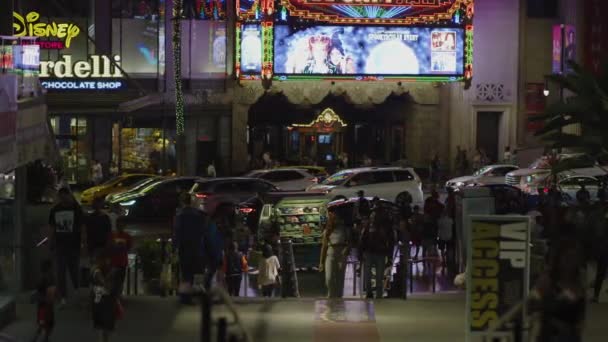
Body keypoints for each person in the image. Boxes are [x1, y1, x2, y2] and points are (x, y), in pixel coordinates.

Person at [529, 236, 586, 342]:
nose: (571, 262)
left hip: (571, 337)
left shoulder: (578, 280)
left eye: (575, 258)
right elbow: (533, 305)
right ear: (559, 258)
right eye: (568, 257)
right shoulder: (548, 280)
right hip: (550, 337)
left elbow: (580, 316)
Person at [49, 187, 83, 306]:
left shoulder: (76, 209)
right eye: (61, 197)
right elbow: (52, 227)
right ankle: (63, 296)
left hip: (73, 244)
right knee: (61, 272)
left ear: (69, 195)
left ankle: (76, 292)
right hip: (60, 244)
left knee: (74, 270)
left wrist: (83, 242)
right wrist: (52, 241)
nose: (64, 199)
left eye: (66, 196)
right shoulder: (55, 210)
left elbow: (81, 227)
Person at [174, 193, 206, 301]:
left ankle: (185, 295)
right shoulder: (199, 215)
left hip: (184, 247)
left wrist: (175, 247)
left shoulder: (180, 215)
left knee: (185, 273)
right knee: (193, 272)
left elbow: (177, 232)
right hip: (196, 247)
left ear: (183, 202)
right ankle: (191, 294)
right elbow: (202, 231)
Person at [360, 203, 395, 299]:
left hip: (372, 252)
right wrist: (390, 255)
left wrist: (361, 253)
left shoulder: (371, 225)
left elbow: (363, 239)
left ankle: (370, 293)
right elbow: (391, 241)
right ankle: (377, 294)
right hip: (379, 252)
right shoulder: (385, 226)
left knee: (369, 274)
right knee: (378, 275)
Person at [320, 204, 351, 298]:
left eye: (333, 214)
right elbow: (324, 246)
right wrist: (321, 262)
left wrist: (346, 249)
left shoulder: (344, 228)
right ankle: (331, 294)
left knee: (340, 278)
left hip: (341, 253)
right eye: (330, 214)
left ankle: (339, 296)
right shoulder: (327, 229)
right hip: (330, 252)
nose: (332, 216)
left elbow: (350, 241)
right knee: (328, 278)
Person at [91, 251, 118, 342]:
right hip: (101, 302)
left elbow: (110, 287)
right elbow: (105, 285)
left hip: (106, 302)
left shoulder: (108, 270)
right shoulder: (96, 271)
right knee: (102, 328)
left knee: (104, 329)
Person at [33, 260, 56, 342]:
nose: (52, 269)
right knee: (45, 323)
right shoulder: (46, 278)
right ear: (48, 268)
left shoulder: (47, 277)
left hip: (45, 305)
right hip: (45, 305)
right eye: (51, 267)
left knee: (46, 323)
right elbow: (40, 292)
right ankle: (40, 339)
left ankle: (41, 338)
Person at [110, 217, 132, 298]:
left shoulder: (127, 236)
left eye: (122, 224)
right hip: (114, 262)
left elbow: (129, 247)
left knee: (120, 280)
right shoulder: (112, 235)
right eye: (118, 224)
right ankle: (114, 296)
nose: (120, 226)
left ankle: (118, 296)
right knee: (114, 280)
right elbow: (109, 247)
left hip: (122, 262)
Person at [204, 211, 224, 291]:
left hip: (212, 257)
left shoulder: (212, 227)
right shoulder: (212, 227)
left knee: (211, 276)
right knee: (211, 276)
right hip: (213, 257)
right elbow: (212, 243)